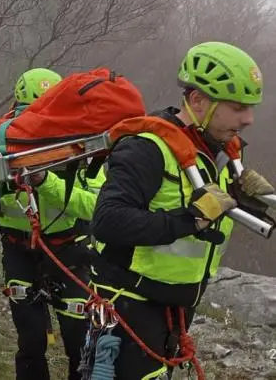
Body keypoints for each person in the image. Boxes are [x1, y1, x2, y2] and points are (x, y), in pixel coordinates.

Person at [90, 41, 273, 379]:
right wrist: (190, 219)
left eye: (249, 108)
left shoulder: (220, 150)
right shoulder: (146, 148)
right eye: (237, 107)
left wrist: (248, 198)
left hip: (180, 302)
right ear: (198, 100)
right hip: (130, 300)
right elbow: (107, 221)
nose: (248, 119)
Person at [0, 68, 105, 380]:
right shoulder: (4, 145)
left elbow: (96, 205)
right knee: (31, 340)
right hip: (19, 250)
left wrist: (45, 181)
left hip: (70, 252)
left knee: (78, 340)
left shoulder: (83, 148)